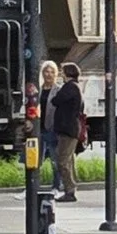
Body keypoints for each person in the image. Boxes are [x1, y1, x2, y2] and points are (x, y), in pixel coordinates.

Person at [49, 61, 87, 201]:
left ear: (68, 73)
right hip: (70, 128)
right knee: (68, 160)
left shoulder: (69, 87)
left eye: (62, 72)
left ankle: (69, 190)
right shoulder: (75, 87)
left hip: (67, 129)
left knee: (62, 160)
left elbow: (56, 100)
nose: (61, 74)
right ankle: (70, 188)